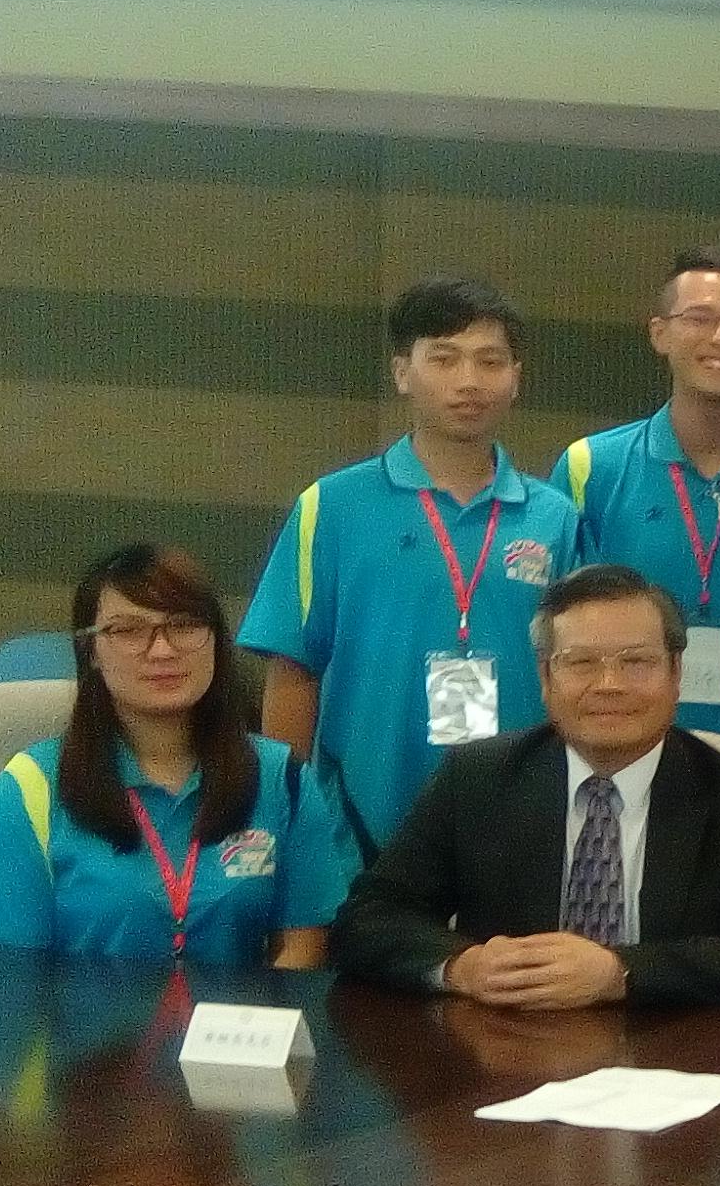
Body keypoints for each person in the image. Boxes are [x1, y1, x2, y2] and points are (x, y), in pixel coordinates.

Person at [333, 565, 720, 1007]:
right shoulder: (476, 777)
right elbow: (370, 917)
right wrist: (464, 966)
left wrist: (620, 973)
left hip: (675, 1050)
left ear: (676, 675)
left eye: (636, 662)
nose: (609, 684)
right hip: (504, 1050)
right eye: (581, 663)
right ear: (545, 678)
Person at [240, 274, 581, 861]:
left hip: (522, 816)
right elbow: (294, 670)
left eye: (490, 361)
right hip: (359, 822)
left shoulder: (555, 517)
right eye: (444, 360)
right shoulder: (333, 506)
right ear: (403, 373)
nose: (469, 381)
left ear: (516, 378)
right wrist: (286, 812)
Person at [0, 543, 345, 967]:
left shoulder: (283, 780)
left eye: (185, 625)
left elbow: (303, 948)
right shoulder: (30, 789)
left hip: (229, 1030)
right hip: (79, 1032)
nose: (162, 650)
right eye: (129, 630)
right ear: (90, 652)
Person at [557, 249, 720, 770]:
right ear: (660, 333)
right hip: (628, 767)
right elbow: (565, 635)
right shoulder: (592, 466)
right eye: (698, 318)